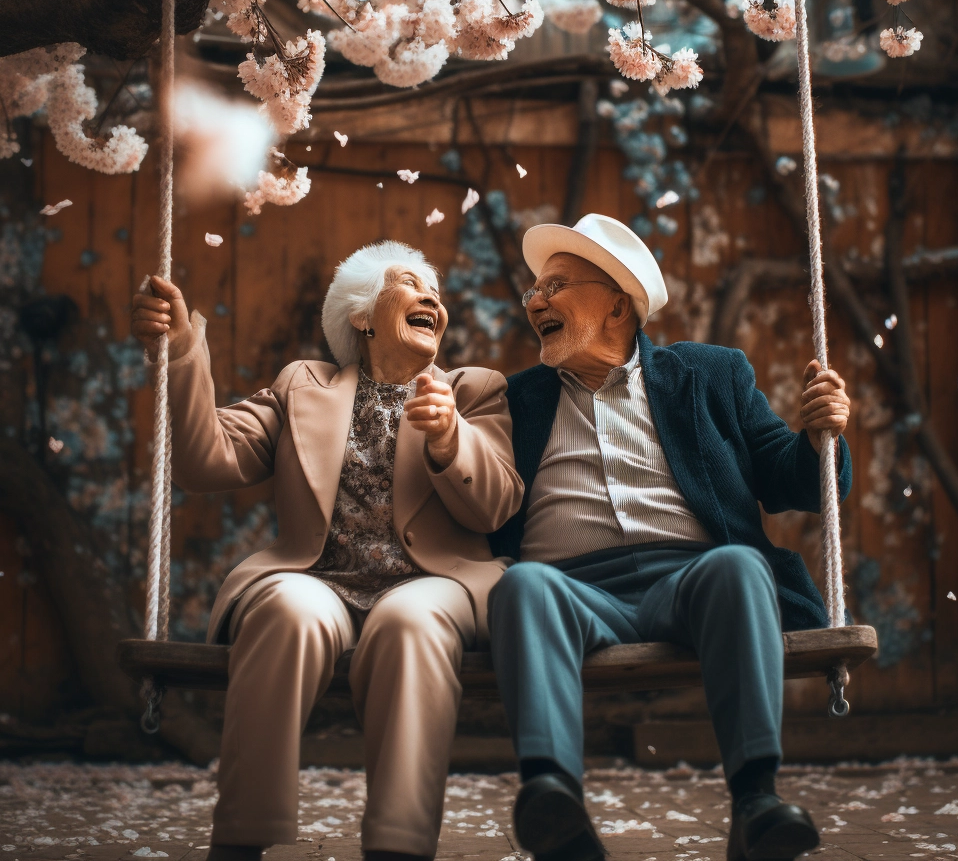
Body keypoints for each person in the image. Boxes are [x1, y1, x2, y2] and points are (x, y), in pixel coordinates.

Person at [131, 241, 523, 861]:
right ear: (363, 317)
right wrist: (180, 349)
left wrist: (452, 437)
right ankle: (239, 840)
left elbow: (497, 505)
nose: (432, 300)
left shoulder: (473, 390)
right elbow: (208, 461)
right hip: (318, 579)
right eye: (410, 285)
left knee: (409, 622)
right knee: (286, 609)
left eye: (436, 293)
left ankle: (399, 846)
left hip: (433, 583)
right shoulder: (302, 385)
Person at [486, 214, 852, 861]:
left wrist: (823, 435)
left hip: (692, 581)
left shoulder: (711, 376)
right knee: (522, 584)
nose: (536, 301)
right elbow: (470, 490)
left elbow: (791, 479)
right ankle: (552, 802)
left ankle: (756, 801)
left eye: (558, 285)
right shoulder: (510, 400)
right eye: (533, 291)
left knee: (741, 566)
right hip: (571, 592)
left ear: (618, 306)